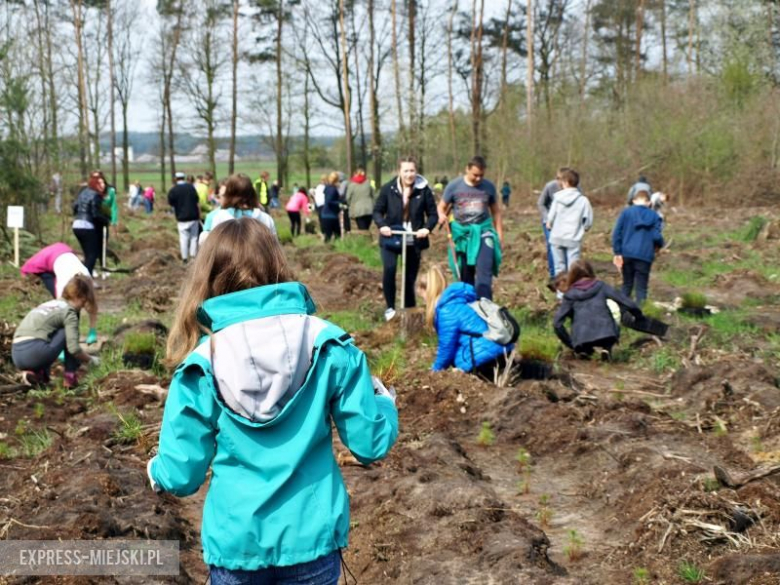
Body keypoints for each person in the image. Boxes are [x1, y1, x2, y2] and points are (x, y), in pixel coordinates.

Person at [146, 218, 398, 585]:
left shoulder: (202, 364)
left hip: (237, 546)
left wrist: (157, 470)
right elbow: (370, 443)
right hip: (312, 539)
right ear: (277, 263)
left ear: (209, 276)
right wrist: (386, 403)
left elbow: (182, 476)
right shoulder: (328, 344)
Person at [373, 156, 438, 321]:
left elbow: (433, 214)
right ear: (399, 172)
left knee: (409, 278)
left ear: (416, 171)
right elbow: (377, 211)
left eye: (412, 171)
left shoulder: (424, 190)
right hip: (391, 238)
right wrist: (382, 225)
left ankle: (409, 311)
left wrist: (426, 228)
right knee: (390, 269)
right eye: (406, 171)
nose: (409, 174)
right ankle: (390, 308)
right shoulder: (389, 189)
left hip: (414, 239)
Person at [424, 265, 513, 379]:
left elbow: (446, 349)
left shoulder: (446, 311)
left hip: (484, 359)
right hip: (501, 350)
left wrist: (434, 371)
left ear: (428, 291)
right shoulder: (461, 301)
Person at [12, 275, 100, 388]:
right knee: (67, 333)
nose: (83, 306)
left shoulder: (50, 304)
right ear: (80, 297)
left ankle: (36, 374)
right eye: (84, 301)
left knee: (48, 335)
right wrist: (91, 359)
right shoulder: (69, 312)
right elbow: (73, 349)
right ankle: (70, 377)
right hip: (35, 353)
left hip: (17, 355)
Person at [437, 155, 503, 301]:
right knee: (465, 276)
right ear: (467, 169)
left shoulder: (489, 187)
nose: (478, 179)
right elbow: (441, 207)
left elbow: (496, 212)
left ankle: (486, 308)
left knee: (484, 274)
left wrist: (499, 235)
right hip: (463, 235)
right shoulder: (454, 186)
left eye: (481, 175)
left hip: (483, 232)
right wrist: (441, 215)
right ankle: (468, 308)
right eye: (475, 175)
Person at [553, 260, 642, 357]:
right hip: (606, 333)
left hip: (581, 337)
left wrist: (570, 343)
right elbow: (628, 303)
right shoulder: (601, 286)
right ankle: (606, 348)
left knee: (579, 326)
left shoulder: (569, 295)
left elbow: (557, 323)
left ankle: (583, 350)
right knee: (613, 316)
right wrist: (639, 317)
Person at [20, 242, 100, 344]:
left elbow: (92, 303)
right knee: (67, 309)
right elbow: (60, 310)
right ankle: (63, 339)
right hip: (46, 260)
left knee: (74, 309)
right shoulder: (62, 283)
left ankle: (73, 336)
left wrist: (92, 330)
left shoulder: (86, 277)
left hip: (63, 252)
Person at [612, 191, 665, 304]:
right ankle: (640, 317)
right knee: (641, 288)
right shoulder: (655, 216)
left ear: (634, 201)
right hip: (645, 255)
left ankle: (623, 313)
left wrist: (617, 252)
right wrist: (659, 245)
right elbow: (656, 236)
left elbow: (617, 233)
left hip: (627, 254)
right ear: (649, 203)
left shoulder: (626, 213)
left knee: (627, 285)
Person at [201, 174, 276, 243]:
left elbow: (214, 247)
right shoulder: (266, 218)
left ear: (228, 195)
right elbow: (274, 248)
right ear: (252, 193)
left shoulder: (220, 217)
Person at [546, 168, 593, 280]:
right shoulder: (583, 200)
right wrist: (585, 227)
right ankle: (573, 291)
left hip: (557, 237)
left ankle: (561, 294)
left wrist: (549, 224)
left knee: (559, 267)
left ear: (565, 182)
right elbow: (588, 219)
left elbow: (551, 216)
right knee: (573, 268)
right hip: (573, 238)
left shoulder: (557, 198)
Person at [72, 171, 111, 276]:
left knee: (88, 253)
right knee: (92, 254)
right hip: (87, 225)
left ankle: (86, 275)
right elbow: (95, 214)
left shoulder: (83, 192)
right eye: (100, 184)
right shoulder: (96, 195)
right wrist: (106, 220)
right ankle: (86, 279)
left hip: (76, 225)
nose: (102, 186)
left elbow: (75, 207)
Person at [537, 169, 568, 281]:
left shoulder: (574, 188)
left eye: (562, 179)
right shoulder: (550, 187)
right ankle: (553, 274)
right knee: (552, 244)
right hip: (549, 222)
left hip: (565, 222)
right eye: (558, 179)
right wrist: (547, 218)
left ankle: (567, 272)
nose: (559, 182)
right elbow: (541, 203)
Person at [167, 171, 201, 264]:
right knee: (194, 237)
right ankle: (193, 257)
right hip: (193, 216)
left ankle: (184, 258)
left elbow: (170, 203)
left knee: (183, 238)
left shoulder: (173, 190)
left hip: (181, 218)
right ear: (184, 178)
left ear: (175, 179)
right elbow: (197, 200)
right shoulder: (191, 187)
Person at [345, 167, 375, 232]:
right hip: (369, 209)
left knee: (362, 229)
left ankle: (363, 241)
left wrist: (351, 205)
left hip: (358, 210)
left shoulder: (351, 185)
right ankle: (366, 240)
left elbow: (347, 198)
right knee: (366, 228)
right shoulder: (370, 182)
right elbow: (373, 195)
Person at [320, 172, 342, 242]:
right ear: (336, 180)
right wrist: (339, 204)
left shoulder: (327, 188)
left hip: (325, 215)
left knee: (328, 236)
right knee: (337, 236)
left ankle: (327, 250)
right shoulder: (333, 189)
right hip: (331, 215)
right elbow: (329, 201)